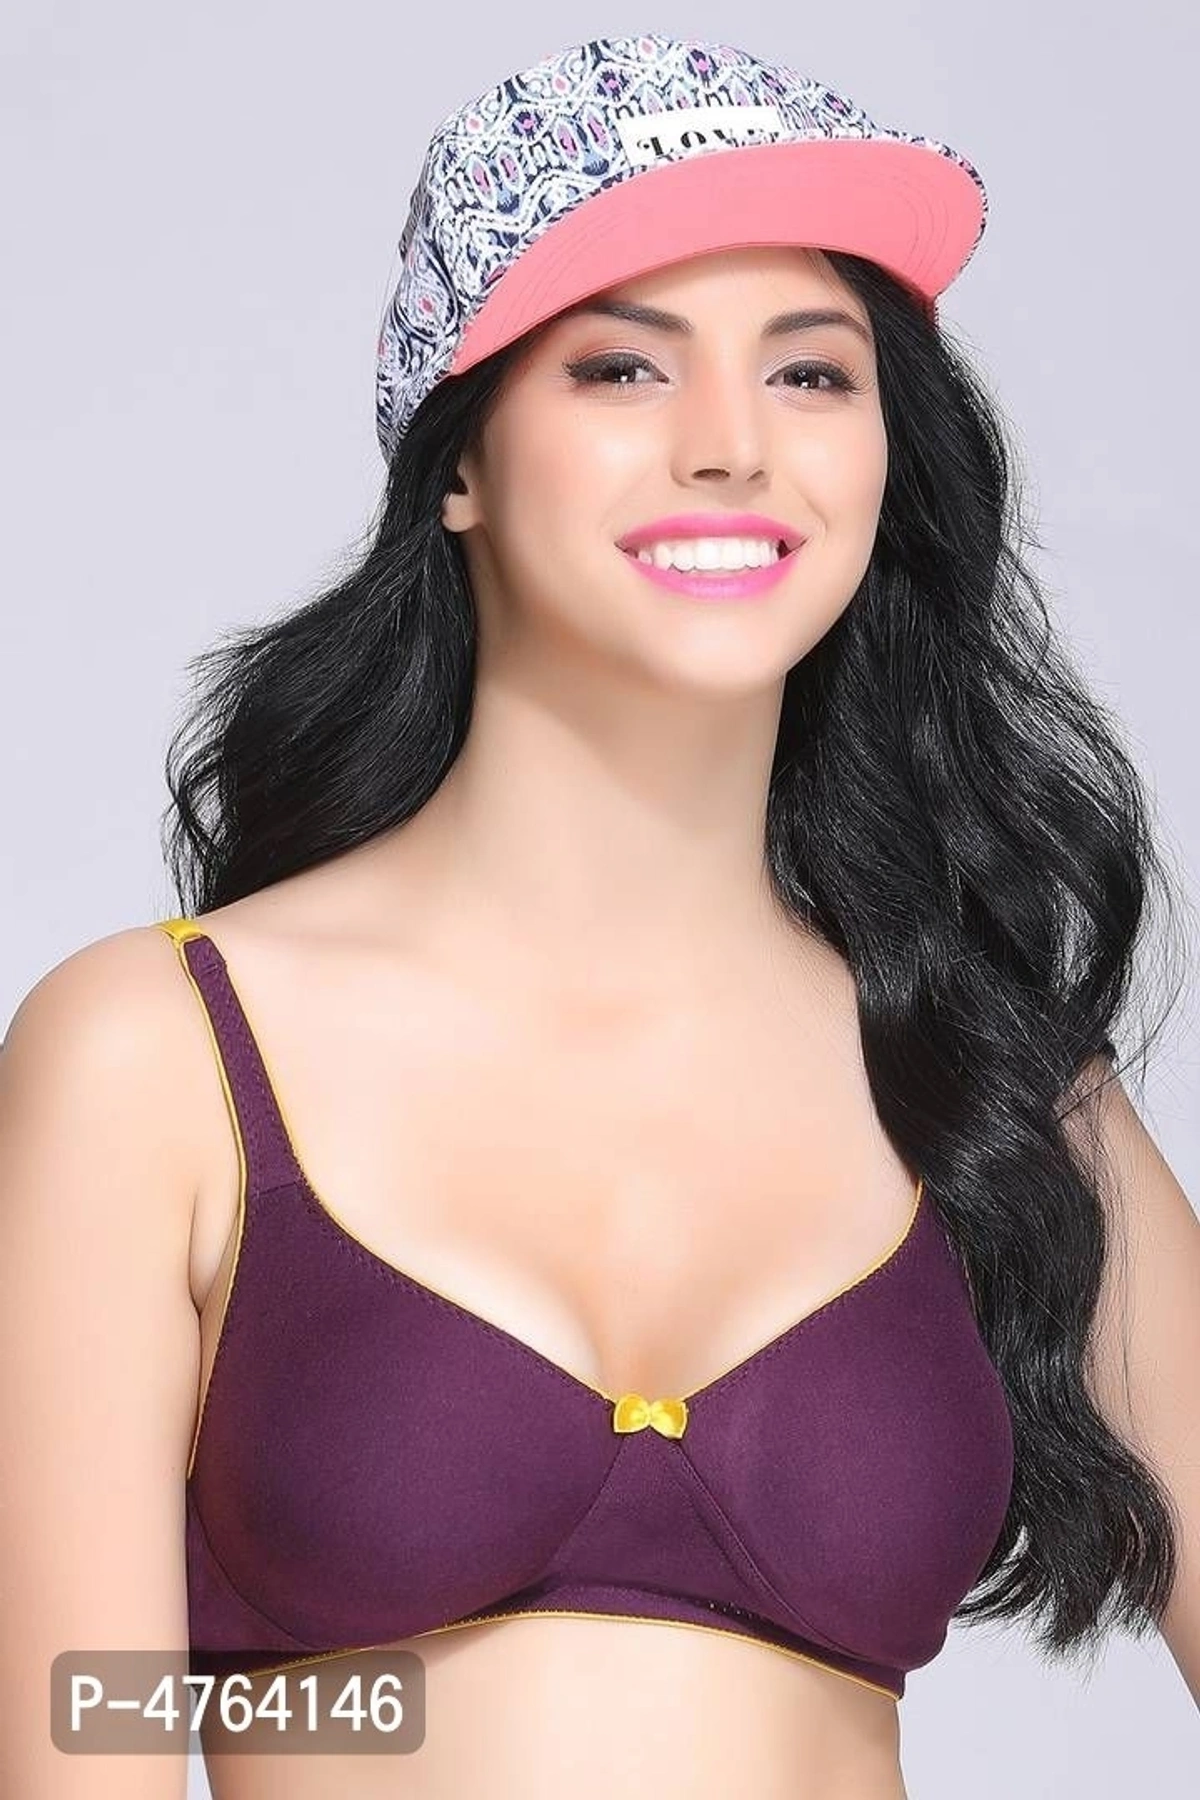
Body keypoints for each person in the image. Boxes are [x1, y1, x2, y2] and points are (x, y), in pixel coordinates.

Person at [1, 30, 1196, 1800]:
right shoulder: (154, 1052)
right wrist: (318, 1703)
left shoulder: (995, 1087)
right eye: (624, 366)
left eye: (812, 372)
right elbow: (89, 1723)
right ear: (461, 463)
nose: (731, 447)